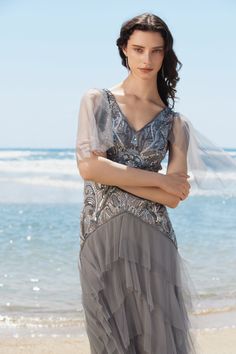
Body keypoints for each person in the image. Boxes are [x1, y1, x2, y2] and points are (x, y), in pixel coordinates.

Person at [75, 12, 216, 354]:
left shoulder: (175, 123)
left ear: (165, 54)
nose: (147, 59)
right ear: (124, 50)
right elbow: (89, 168)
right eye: (138, 49)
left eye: (156, 51)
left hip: (155, 241)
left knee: (159, 342)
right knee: (108, 340)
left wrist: (117, 173)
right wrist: (157, 181)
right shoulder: (96, 101)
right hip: (100, 236)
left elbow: (174, 196)